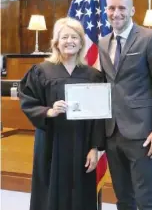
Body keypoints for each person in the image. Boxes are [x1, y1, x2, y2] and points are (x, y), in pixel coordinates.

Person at [98, 0, 152, 210]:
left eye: (122, 8)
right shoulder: (103, 43)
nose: (116, 13)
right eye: (111, 8)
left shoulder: (150, 39)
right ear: (106, 10)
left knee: (145, 199)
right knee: (123, 198)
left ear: (132, 11)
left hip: (142, 133)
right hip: (112, 132)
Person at [19, 17, 105, 210]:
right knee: (49, 191)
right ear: (56, 42)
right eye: (64, 36)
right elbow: (27, 101)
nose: (70, 41)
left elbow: (99, 116)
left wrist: (95, 148)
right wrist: (48, 111)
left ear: (82, 42)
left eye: (75, 37)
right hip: (51, 142)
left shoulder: (93, 75)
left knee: (81, 192)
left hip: (82, 142)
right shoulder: (41, 71)